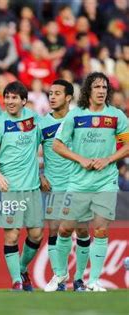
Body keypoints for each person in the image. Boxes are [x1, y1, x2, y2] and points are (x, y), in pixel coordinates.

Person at [52, 72, 129, 291]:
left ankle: (93, 280)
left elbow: (127, 145)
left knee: (101, 229)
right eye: (97, 87)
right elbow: (57, 145)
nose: (102, 90)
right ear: (89, 90)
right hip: (78, 183)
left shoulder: (116, 116)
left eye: (105, 87)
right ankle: (60, 275)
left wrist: (108, 159)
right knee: (65, 229)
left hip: (106, 182)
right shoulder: (75, 116)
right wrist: (81, 159)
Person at [0, 81, 43, 291]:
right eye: (7, 97)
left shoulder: (34, 119)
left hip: (32, 187)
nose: (9, 101)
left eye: (13, 98)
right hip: (8, 188)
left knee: (36, 234)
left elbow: (47, 142)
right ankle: (16, 282)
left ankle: (20, 268)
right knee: (12, 234)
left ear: (23, 101)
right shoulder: (0, 123)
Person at [40, 80, 91, 292]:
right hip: (54, 184)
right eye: (50, 93)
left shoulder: (80, 117)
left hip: (78, 182)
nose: (52, 97)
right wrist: (39, 174)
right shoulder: (42, 124)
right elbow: (27, 152)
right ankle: (60, 277)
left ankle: (79, 279)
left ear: (68, 97)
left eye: (57, 93)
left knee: (81, 229)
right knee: (53, 229)